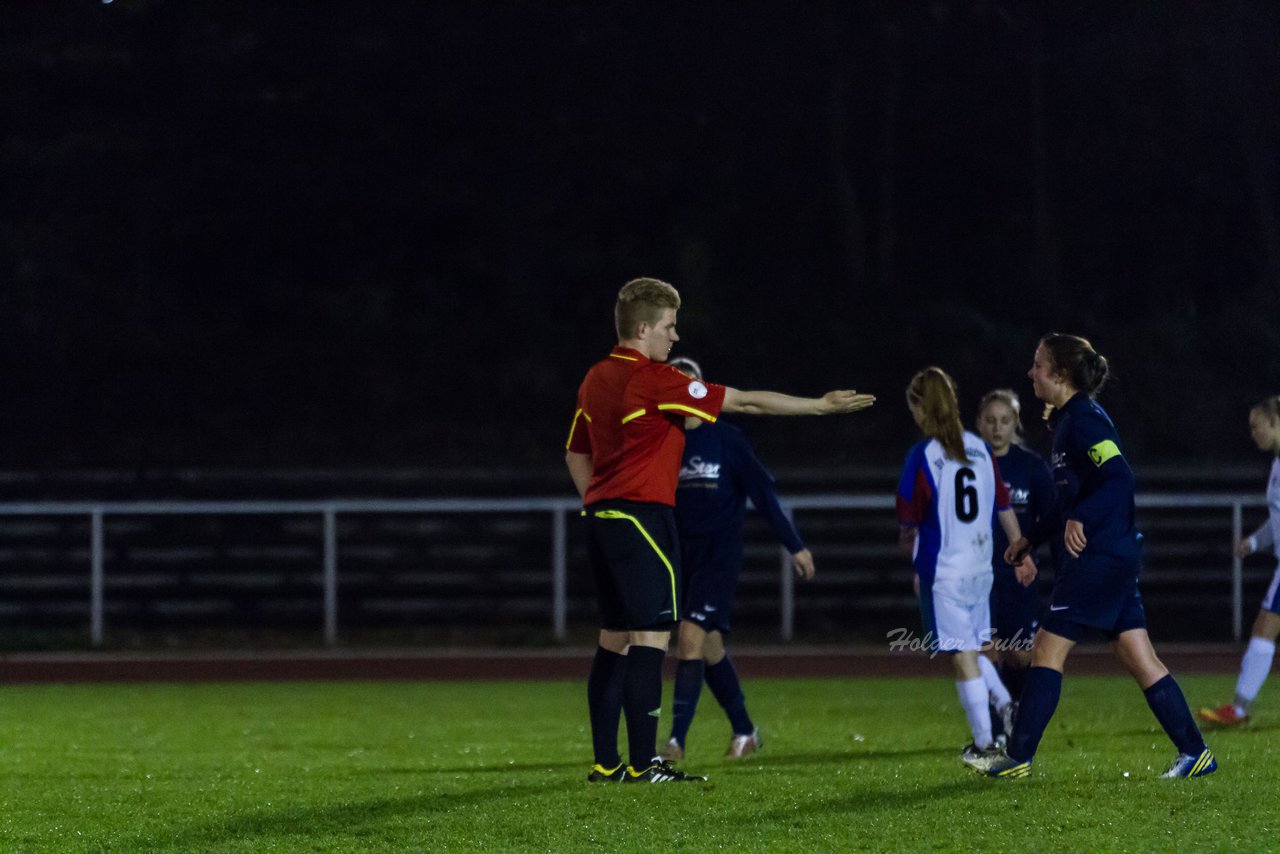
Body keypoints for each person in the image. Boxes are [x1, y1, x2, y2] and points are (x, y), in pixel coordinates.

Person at [565, 277, 874, 784]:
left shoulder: (594, 377)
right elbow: (747, 403)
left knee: (613, 638)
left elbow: (576, 453)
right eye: (668, 326)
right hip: (643, 518)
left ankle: (607, 764)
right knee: (648, 639)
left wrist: (598, 501)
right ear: (643, 328)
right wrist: (819, 405)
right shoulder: (655, 379)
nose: (675, 336)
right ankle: (643, 766)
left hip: (602, 520)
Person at [966, 333, 1216, 779]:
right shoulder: (1066, 421)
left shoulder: (1083, 420)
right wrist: (1032, 537)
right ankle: (1196, 753)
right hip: (1111, 554)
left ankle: (1018, 757)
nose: (1031, 372)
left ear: (1060, 374)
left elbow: (1118, 477)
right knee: (1139, 656)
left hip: (1098, 557)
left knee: (1045, 649)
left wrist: (1081, 516)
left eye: (1038, 365)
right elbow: (1069, 501)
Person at [657, 356, 813, 763]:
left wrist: (794, 544)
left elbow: (764, 496)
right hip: (681, 558)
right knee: (709, 647)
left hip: (718, 556)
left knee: (688, 637)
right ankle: (745, 730)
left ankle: (675, 742)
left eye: (692, 385)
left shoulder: (728, 440)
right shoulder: (661, 443)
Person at [896, 367, 1036, 762]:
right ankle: (1006, 703)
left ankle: (984, 744)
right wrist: (1019, 551)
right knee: (973, 649)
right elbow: (1002, 503)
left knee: (960, 656)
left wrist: (916, 564)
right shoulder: (979, 448)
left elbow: (908, 520)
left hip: (945, 571)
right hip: (981, 571)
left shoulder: (923, 455)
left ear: (920, 406)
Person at [975, 389, 1057, 722]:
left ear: (1015, 425)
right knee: (987, 651)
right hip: (978, 573)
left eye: (1005, 421)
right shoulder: (969, 464)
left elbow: (1051, 515)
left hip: (1017, 574)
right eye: (991, 421)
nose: (997, 428)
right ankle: (995, 727)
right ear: (979, 424)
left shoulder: (1031, 467)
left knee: (1020, 656)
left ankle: (1018, 715)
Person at [1198, 395, 1280, 726]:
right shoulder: (1276, 465)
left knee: (1264, 627)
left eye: (1256, 426)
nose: (1253, 433)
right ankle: (1239, 708)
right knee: (1264, 627)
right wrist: (1253, 542)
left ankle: (1239, 709)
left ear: (1275, 423)